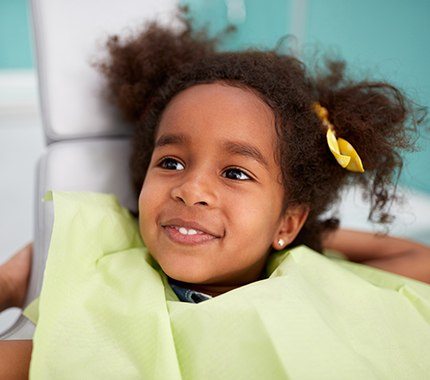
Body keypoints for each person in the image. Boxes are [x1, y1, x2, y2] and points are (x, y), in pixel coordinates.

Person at [1, 7, 430, 379]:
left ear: (289, 220)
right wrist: (11, 281)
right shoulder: (111, 288)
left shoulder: (310, 276)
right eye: (170, 163)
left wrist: (297, 235)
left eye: (235, 173)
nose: (191, 190)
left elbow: (420, 262)